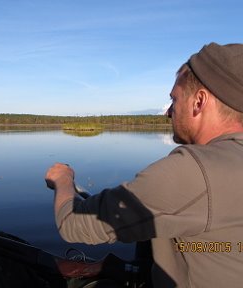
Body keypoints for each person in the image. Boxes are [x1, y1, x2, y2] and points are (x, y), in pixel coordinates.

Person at [45, 42, 243, 288]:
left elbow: (72, 224)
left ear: (199, 102)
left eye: (174, 99)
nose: (168, 112)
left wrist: (63, 179)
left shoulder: (194, 171)